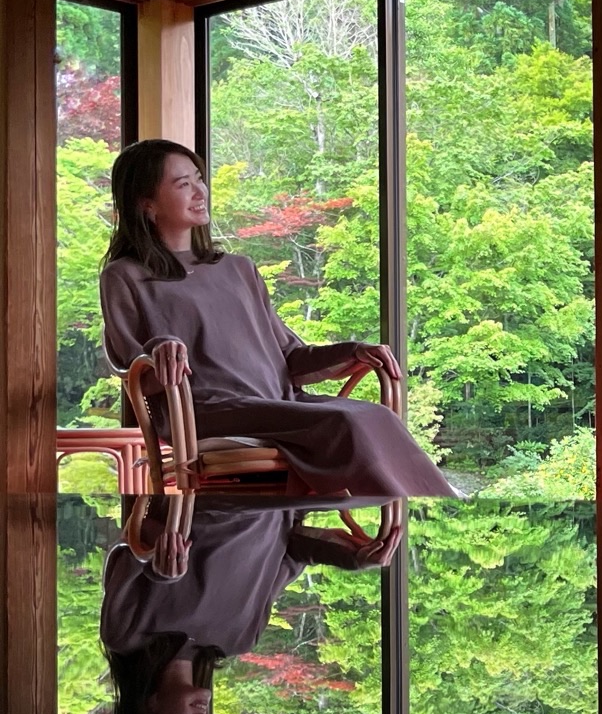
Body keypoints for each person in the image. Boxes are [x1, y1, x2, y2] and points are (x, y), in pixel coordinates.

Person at [99, 138, 455, 498]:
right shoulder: (125, 276)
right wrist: (161, 350)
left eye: (199, 179)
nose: (199, 191)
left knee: (375, 415)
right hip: (203, 411)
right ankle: (410, 518)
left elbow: (289, 357)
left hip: (276, 402)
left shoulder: (238, 269)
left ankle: (419, 515)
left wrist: (356, 351)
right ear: (146, 205)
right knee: (343, 421)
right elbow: (136, 372)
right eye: (183, 184)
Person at [104, 494, 401, 714]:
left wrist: (157, 562)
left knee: (386, 482)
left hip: (212, 489)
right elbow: (293, 551)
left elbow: (133, 538)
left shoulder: (126, 635)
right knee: (389, 488)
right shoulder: (239, 638)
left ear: (148, 708)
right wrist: (353, 559)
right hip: (286, 494)